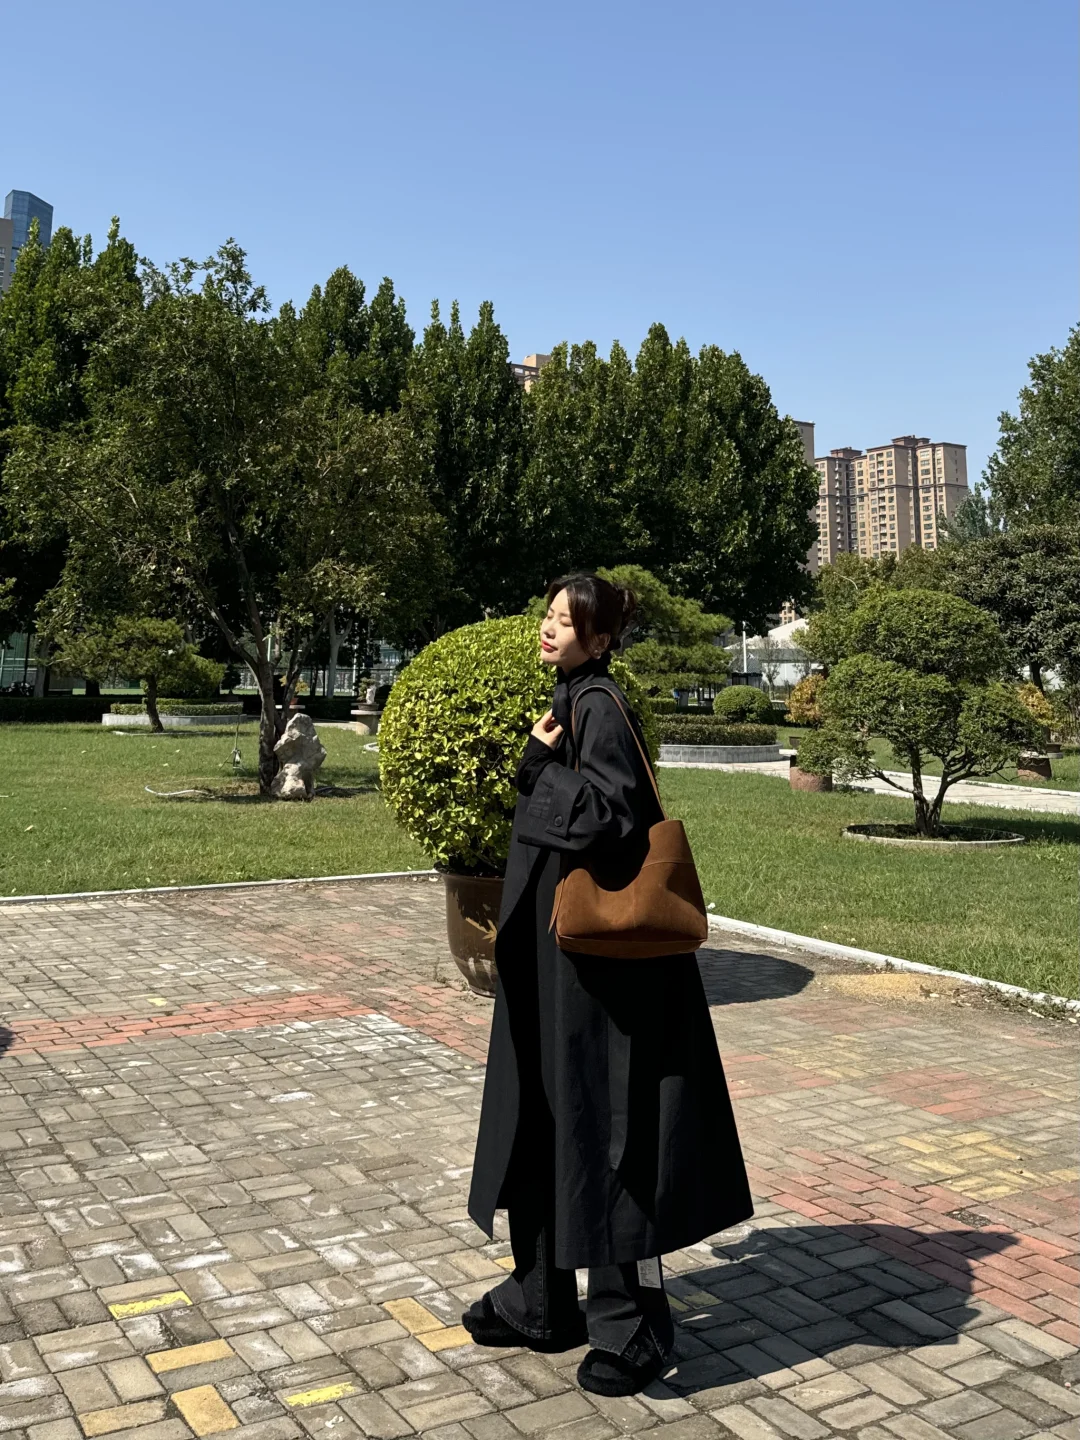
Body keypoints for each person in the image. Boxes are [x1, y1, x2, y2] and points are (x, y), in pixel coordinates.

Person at [465, 573, 753, 1397]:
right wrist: (540, 764)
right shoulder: (572, 698)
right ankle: (540, 1299)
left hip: (597, 974)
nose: (549, 628)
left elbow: (609, 816)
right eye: (548, 615)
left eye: (566, 621)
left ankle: (633, 1325)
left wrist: (537, 769)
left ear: (598, 640)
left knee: (606, 1125)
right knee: (548, 1116)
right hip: (556, 963)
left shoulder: (598, 704)